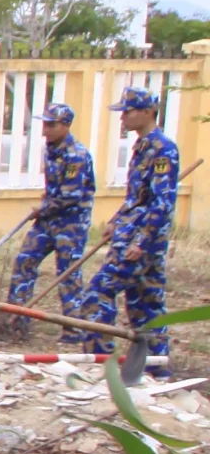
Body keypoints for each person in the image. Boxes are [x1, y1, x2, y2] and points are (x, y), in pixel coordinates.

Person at [75, 88, 181, 368]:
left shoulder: (162, 149)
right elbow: (137, 197)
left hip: (141, 241)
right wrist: (115, 220)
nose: (123, 118)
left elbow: (162, 202)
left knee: (97, 295)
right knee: (145, 307)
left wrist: (141, 241)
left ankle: (101, 362)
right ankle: (156, 369)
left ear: (147, 112)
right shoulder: (142, 146)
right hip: (131, 233)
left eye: (128, 111)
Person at [5, 102, 93, 308]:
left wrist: (41, 210)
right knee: (24, 261)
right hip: (48, 220)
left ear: (66, 125)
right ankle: (16, 319)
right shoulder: (51, 150)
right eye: (44, 125)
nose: (45, 130)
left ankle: (73, 329)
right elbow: (54, 187)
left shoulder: (76, 155)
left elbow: (70, 195)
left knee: (67, 273)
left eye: (51, 125)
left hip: (71, 223)